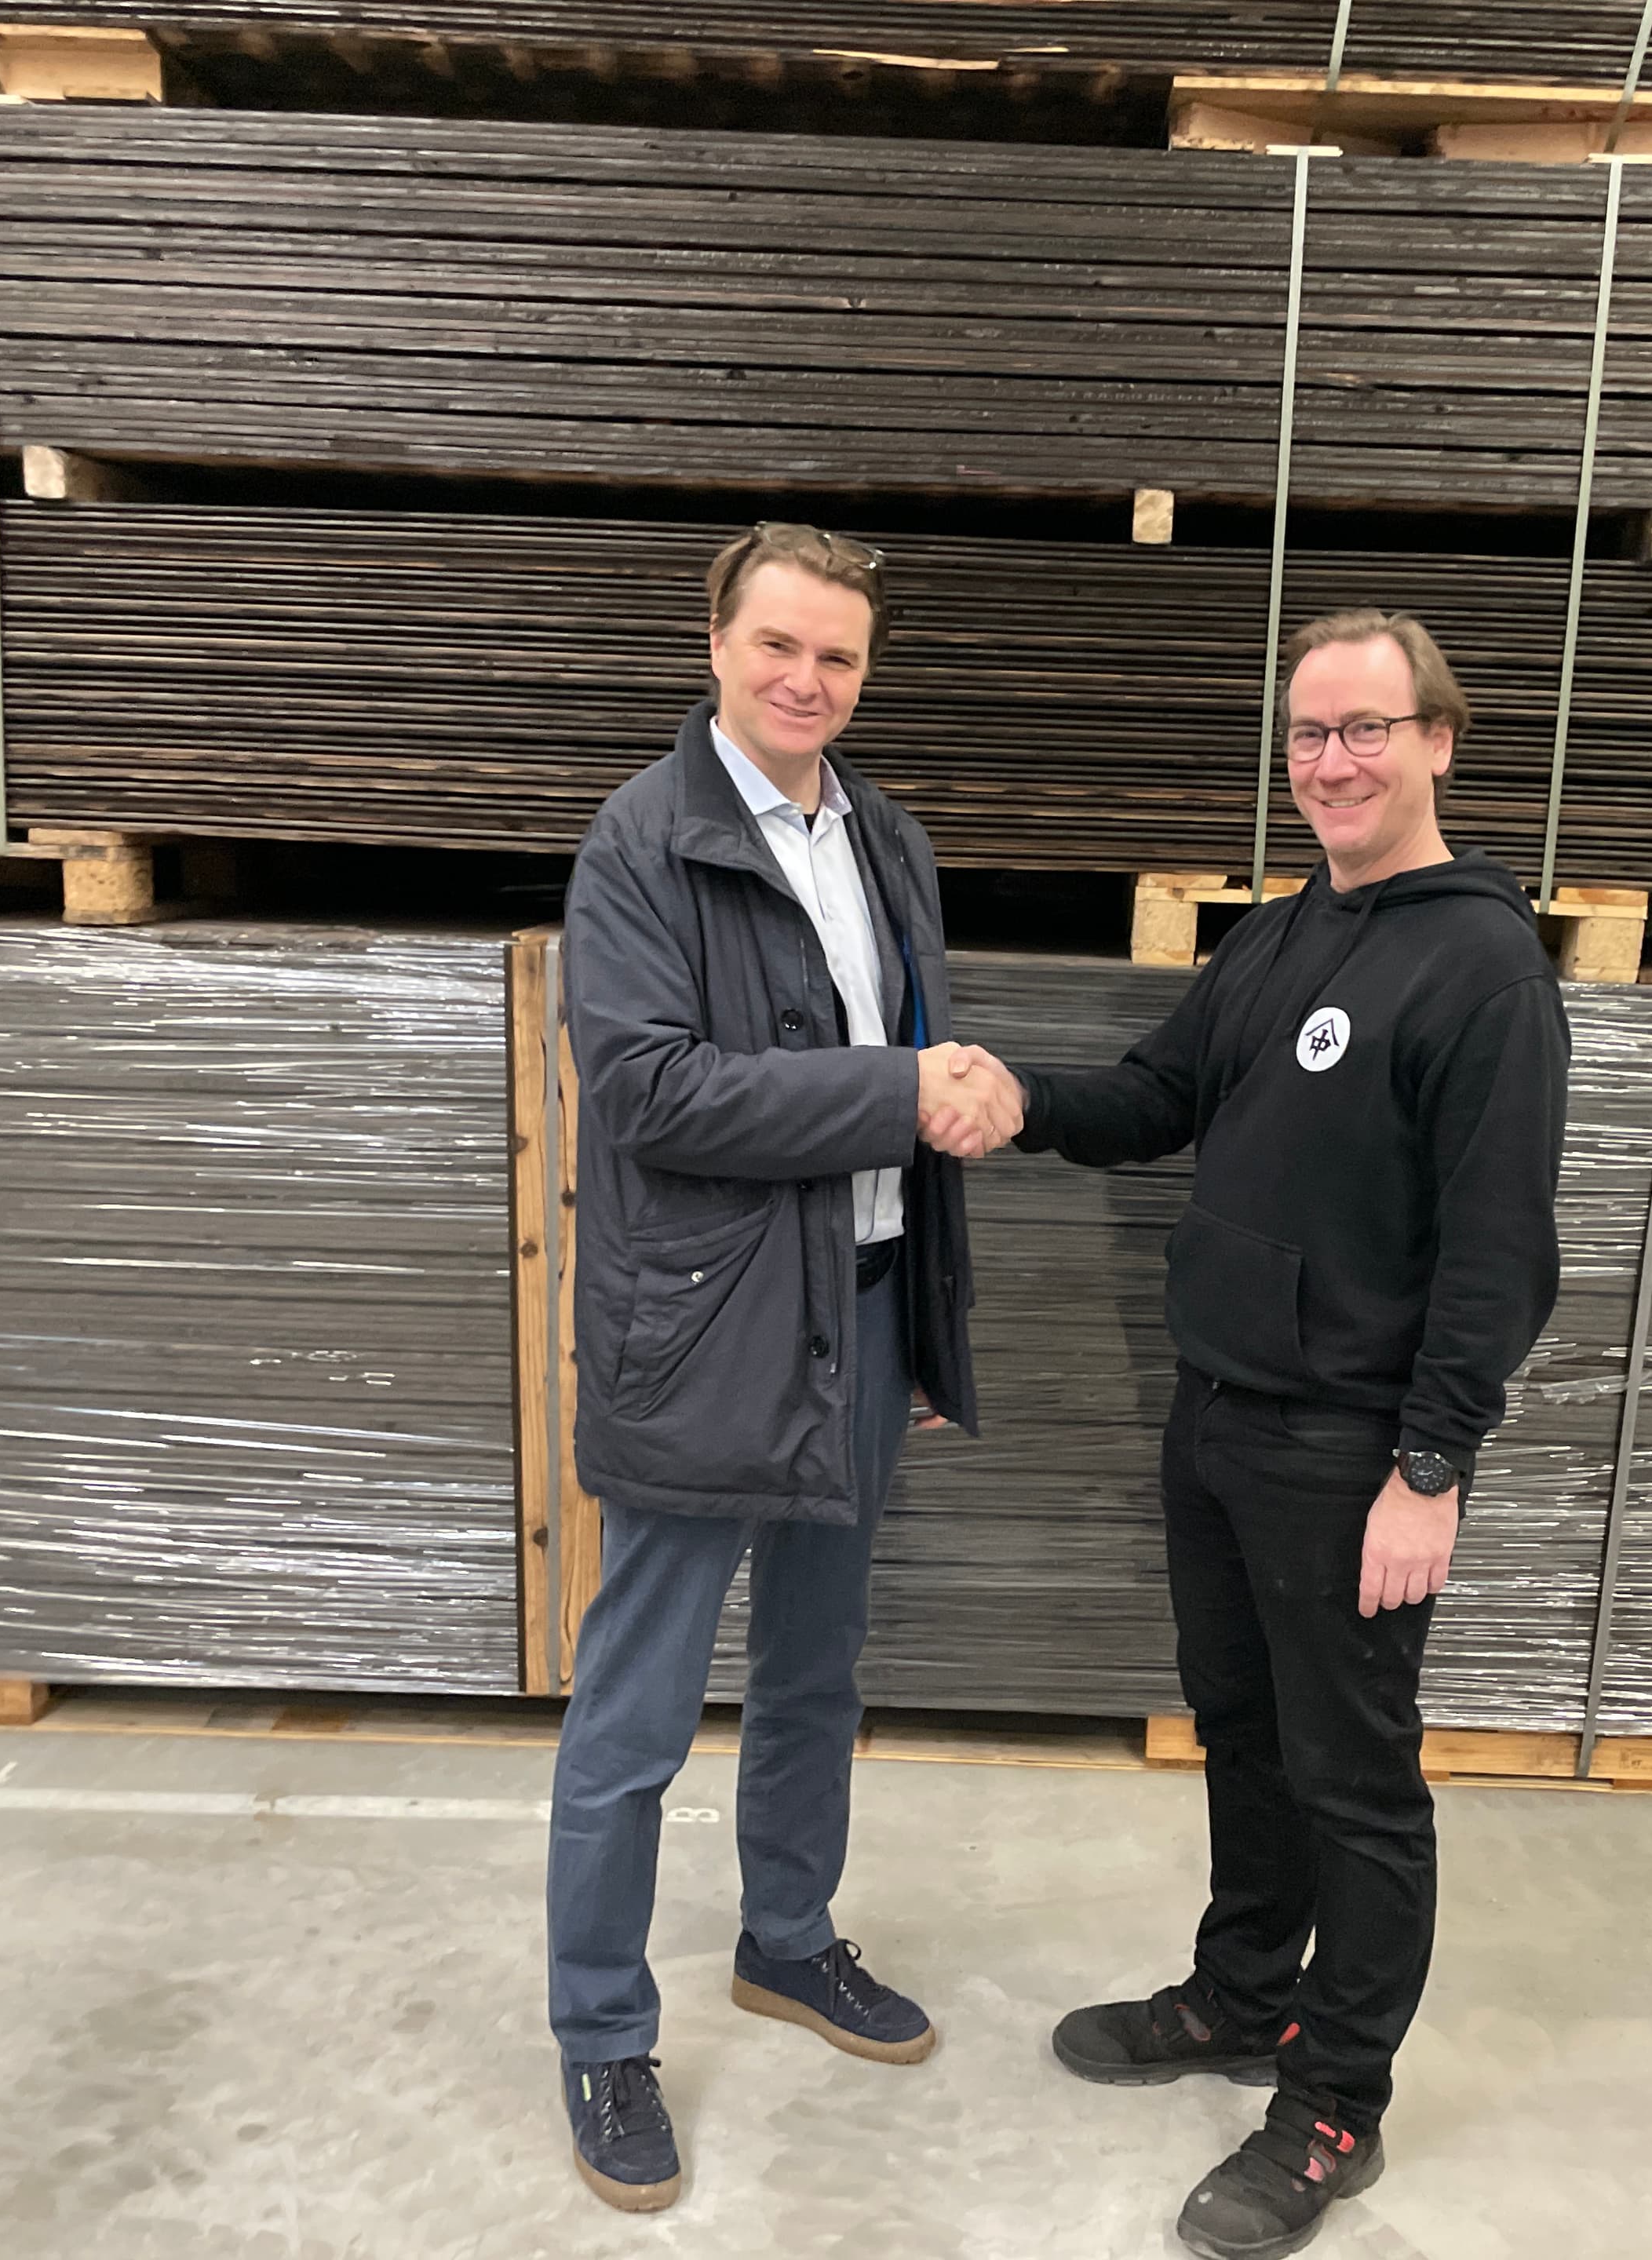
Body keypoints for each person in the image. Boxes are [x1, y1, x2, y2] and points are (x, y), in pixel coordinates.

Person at [954, 610, 1570, 2259]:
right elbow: (1164, 1097)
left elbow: (1504, 1254)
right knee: (1242, 1731)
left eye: (1369, 729)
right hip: (1219, 1416)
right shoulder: (1291, 934)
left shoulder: (1484, 970)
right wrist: (1020, 1104)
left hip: (1348, 1447)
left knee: (1355, 1781)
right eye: (1310, 734)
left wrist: (1430, 1467)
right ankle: (1242, 1999)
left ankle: (1336, 2103)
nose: (1335, 763)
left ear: (1441, 741)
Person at [545, 522, 1022, 2214]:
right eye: (779, 647)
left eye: (838, 657)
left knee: (819, 1668)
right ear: (718, 643)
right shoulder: (642, 844)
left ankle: (789, 1936)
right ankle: (601, 2028)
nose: (807, 680)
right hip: (705, 1332)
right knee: (637, 1711)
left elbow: (903, 1084)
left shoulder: (884, 836)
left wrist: (931, 1264)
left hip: (866, 1303)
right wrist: (903, 1090)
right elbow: (654, 1094)